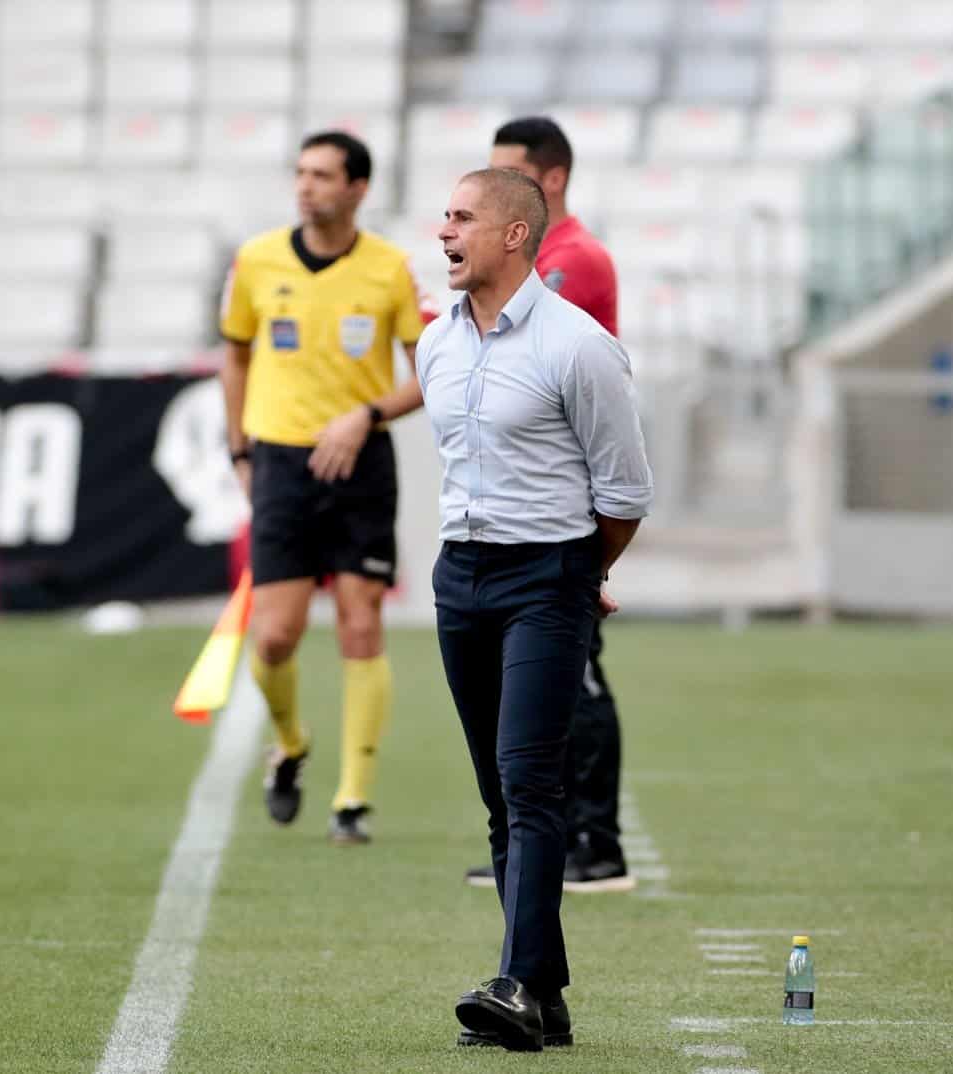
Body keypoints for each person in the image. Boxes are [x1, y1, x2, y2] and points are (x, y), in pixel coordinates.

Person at [417, 168, 652, 1050]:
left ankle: (516, 984)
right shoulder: (435, 344)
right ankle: (545, 996)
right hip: (461, 577)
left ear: (515, 235)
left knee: (530, 781)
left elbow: (625, 490)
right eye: (446, 216)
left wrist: (580, 574)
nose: (444, 231)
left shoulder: (578, 346)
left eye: (462, 218)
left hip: (546, 579)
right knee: (498, 797)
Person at [220, 131, 434, 845]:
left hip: (361, 463)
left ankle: (352, 800)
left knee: (361, 622)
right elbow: (236, 357)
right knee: (275, 636)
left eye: (322, 175)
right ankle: (291, 744)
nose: (306, 186)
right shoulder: (256, 260)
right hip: (280, 463)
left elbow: (427, 372)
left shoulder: (389, 270)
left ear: (358, 189)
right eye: (301, 172)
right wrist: (240, 450)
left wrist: (365, 416)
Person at [458, 115, 634, 893]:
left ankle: (597, 842)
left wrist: (588, 561)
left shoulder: (574, 265)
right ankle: (548, 846)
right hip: (530, 519)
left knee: (581, 679)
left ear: (549, 180)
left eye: (511, 177)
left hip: (564, 516)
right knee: (548, 691)